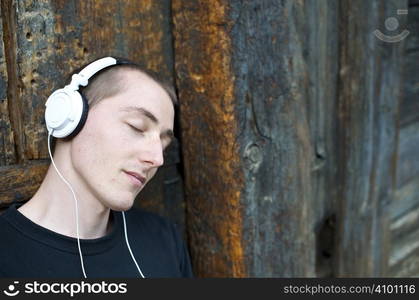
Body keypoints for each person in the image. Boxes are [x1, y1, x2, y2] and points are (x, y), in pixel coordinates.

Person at [0, 57, 193, 278]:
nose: (157, 159)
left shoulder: (164, 240)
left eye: (164, 144)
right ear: (70, 117)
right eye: (137, 127)